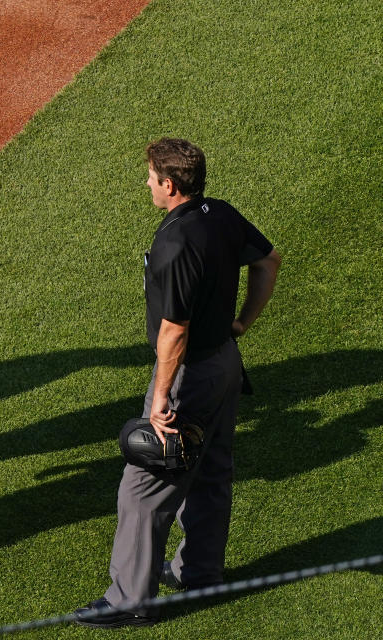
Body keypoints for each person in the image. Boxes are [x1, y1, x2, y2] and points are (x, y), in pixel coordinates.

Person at [73, 138, 281, 627]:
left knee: (143, 486)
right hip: (227, 362)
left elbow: (174, 329)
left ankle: (128, 600)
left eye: (150, 176)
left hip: (189, 374)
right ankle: (201, 573)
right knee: (211, 469)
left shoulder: (174, 241)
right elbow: (268, 261)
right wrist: (241, 326)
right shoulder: (221, 213)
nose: (146, 183)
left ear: (169, 184)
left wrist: (161, 399)